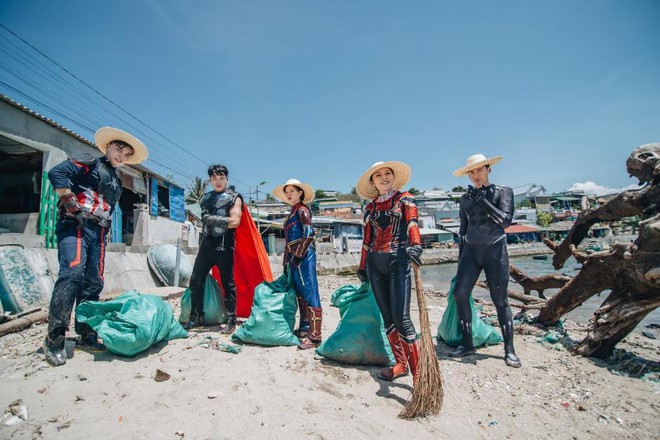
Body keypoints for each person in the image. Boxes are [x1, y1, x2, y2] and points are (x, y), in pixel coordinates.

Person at [43, 126, 149, 366]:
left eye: (127, 153)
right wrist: (71, 206)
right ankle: (54, 339)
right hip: (75, 226)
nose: (122, 155)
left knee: (93, 282)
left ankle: (86, 333)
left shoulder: (116, 178)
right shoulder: (89, 162)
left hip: (99, 232)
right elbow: (57, 173)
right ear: (109, 146)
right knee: (72, 275)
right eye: (119, 148)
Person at [450, 153, 521, 368]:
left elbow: (505, 221)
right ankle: (467, 342)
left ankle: (509, 350)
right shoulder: (465, 199)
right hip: (471, 251)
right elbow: (463, 230)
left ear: (489, 169)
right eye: (471, 171)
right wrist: (460, 260)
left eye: (479, 170)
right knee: (460, 295)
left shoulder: (503, 192)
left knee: (500, 300)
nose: (475, 175)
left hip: (495, 250)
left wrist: (484, 202)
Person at [356, 161, 423, 383]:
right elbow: (367, 240)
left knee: (402, 318)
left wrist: (416, 244)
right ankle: (401, 364)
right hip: (375, 264)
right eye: (378, 175)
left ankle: (420, 376)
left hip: (399, 261)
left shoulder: (405, 199)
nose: (384, 178)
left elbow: (412, 223)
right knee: (388, 318)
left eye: (387, 173)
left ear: (393, 177)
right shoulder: (370, 208)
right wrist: (362, 267)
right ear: (373, 182)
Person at [183, 164, 243, 334]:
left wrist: (211, 218)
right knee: (195, 281)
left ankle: (231, 319)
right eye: (214, 178)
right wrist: (209, 220)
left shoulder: (235, 197)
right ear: (210, 180)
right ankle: (196, 317)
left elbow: (235, 222)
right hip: (207, 247)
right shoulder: (205, 198)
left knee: (228, 283)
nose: (218, 181)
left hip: (225, 247)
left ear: (227, 179)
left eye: (221, 178)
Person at [272, 178, 322, 350]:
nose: (289, 194)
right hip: (294, 257)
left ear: (300, 192)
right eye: (287, 192)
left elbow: (309, 234)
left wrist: (298, 255)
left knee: (310, 291)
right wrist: (288, 259)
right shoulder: (292, 213)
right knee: (300, 292)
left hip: (304, 256)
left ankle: (315, 337)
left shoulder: (302, 210)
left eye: (292, 191)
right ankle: (305, 327)